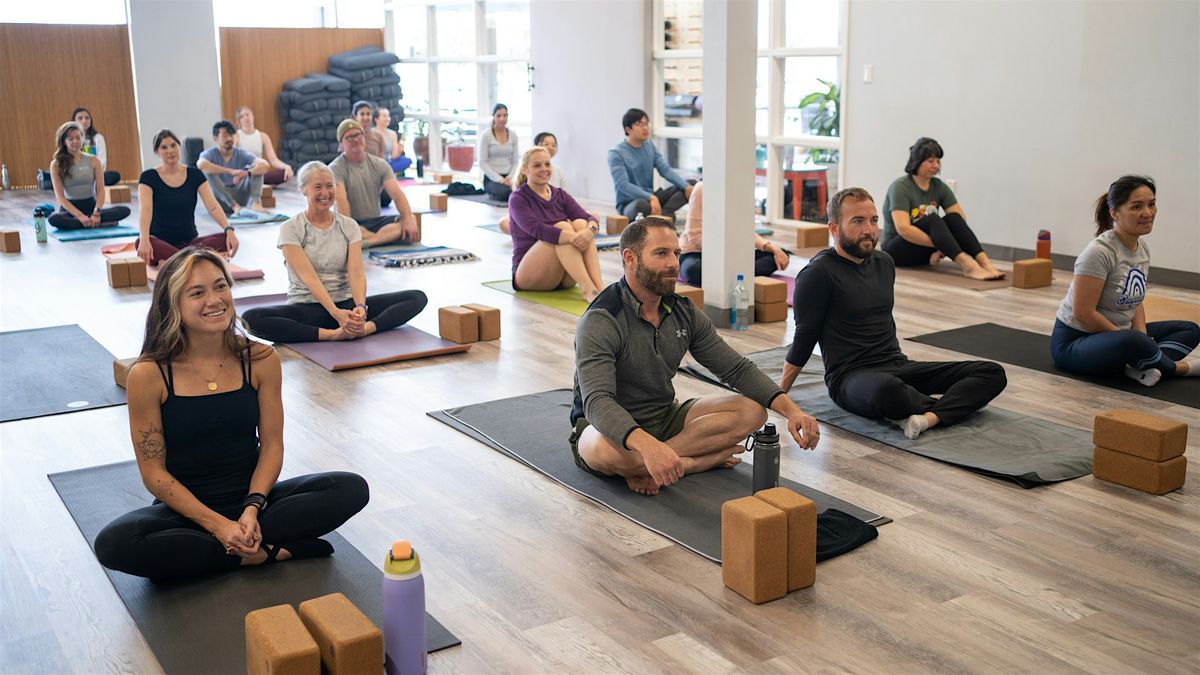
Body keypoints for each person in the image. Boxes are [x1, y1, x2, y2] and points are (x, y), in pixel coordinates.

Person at [93, 247, 369, 581]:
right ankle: (267, 552)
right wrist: (218, 525)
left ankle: (209, 555)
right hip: (187, 514)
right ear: (173, 304)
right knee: (115, 543)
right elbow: (153, 472)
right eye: (197, 293)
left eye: (220, 286)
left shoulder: (261, 360)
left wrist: (251, 508)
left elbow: (272, 446)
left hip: (256, 504)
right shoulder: (149, 375)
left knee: (350, 488)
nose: (215, 300)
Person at [571, 216, 820, 495]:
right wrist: (645, 445)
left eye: (676, 253)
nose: (673, 263)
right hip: (605, 431)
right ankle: (693, 463)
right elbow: (598, 402)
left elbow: (736, 369)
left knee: (752, 412)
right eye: (661, 253)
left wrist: (792, 411)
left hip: (664, 417)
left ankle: (651, 465)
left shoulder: (683, 311)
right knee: (601, 452)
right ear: (630, 258)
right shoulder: (601, 320)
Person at [781, 188, 1007, 440]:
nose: (869, 229)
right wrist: (778, 396)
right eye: (858, 221)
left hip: (899, 366)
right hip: (850, 377)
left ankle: (929, 417)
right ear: (834, 229)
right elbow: (804, 338)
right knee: (888, 391)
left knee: (991, 372)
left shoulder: (884, 262)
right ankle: (950, 406)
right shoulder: (817, 273)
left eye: (873, 220)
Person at [243, 162, 428, 343]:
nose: (325, 193)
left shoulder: (348, 225)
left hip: (347, 306)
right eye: (318, 187)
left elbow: (356, 273)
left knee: (417, 297)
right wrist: (335, 313)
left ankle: (364, 329)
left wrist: (360, 308)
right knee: (251, 318)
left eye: (330, 186)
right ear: (303, 190)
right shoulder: (290, 228)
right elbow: (309, 278)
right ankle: (331, 335)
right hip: (308, 308)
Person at [1051, 175, 1199, 385]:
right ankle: (1177, 369)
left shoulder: (1141, 248)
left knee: (1189, 330)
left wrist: (1142, 339)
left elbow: (1135, 300)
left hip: (1120, 336)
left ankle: (1140, 366)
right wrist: (1137, 342)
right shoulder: (1098, 253)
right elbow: (1083, 313)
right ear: (1115, 213)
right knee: (1133, 340)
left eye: (1151, 204)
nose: (1147, 213)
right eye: (1136, 207)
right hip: (1075, 342)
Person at [881, 137, 1004, 280]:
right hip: (897, 251)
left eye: (938, 161)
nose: (936, 165)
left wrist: (943, 247)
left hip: (925, 249)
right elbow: (903, 229)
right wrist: (942, 245)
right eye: (930, 161)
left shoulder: (938, 186)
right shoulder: (900, 187)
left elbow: (959, 220)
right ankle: (968, 265)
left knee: (953, 218)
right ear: (917, 161)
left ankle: (985, 263)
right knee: (932, 219)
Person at [508, 147, 604, 303]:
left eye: (547, 164)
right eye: (537, 165)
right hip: (529, 275)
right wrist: (576, 237)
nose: (544, 169)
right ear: (525, 169)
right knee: (562, 227)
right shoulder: (518, 198)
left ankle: (600, 287)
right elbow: (537, 229)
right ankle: (588, 289)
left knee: (581, 224)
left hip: (562, 277)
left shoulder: (559, 194)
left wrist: (589, 231)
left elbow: (587, 217)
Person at [136, 129, 239, 265]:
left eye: (173, 145)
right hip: (160, 243)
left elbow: (212, 206)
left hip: (190, 243)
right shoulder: (148, 177)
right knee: (141, 242)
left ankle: (175, 262)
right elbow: (145, 209)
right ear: (157, 152)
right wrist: (144, 239)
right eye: (164, 147)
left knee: (224, 239)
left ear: (179, 147)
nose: (170, 151)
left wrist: (229, 229)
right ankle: (193, 260)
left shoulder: (195, 174)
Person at [329, 119, 420, 248]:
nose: (355, 140)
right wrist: (351, 229)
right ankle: (383, 238)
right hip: (350, 222)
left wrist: (407, 218)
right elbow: (341, 202)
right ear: (341, 144)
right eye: (349, 137)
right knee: (343, 230)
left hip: (376, 222)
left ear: (364, 138)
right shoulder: (335, 168)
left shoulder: (380, 164)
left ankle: (369, 242)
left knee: (410, 219)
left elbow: (397, 195)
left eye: (358, 135)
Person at [678, 181, 789, 286]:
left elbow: (745, 232)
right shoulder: (702, 188)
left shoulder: (740, 190)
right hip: (697, 254)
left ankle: (729, 274)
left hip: (732, 257)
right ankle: (740, 273)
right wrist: (726, 256)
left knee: (781, 254)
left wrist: (774, 249)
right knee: (693, 270)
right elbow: (695, 237)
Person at [608, 108, 692, 221]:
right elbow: (623, 185)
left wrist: (686, 186)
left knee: (692, 185)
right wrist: (650, 197)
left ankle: (663, 213)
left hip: (652, 197)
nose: (645, 128)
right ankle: (664, 216)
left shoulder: (649, 145)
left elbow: (665, 170)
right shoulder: (616, 153)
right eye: (640, 124)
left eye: (646, 124)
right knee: (641, 206)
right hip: (630, 203)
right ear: (628, 129)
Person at [47, 121, 130, 230]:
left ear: (82, 139)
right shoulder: (56, 164)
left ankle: (85, 223)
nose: (75, 141)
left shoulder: (94, 160)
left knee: (124, 210)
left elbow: (100, 191)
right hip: (70, 210)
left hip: (91, 206)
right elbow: (60, 197)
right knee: (54, 219)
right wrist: (80, 216)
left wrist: (96, 213)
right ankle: (96, 223)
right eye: (71, 139)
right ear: (64, 142)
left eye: (78, 138)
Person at [197, 120, 269, 215]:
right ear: (215, 138)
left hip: (240, 196)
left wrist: (247, 173)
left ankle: (255, 203)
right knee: (208, 171)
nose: (229, 138)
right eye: (225, 136)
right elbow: (201, 165)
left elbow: (265, 165)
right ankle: (233, 205)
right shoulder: (209, 153)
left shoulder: (241, 153)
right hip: (220, 200)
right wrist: (231, 172)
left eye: (231, 135)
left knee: (257, 168)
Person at [234, 105, 294, 185]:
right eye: (242, 117)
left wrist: (286, 167)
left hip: (259, 172)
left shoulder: (263, 136)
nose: (246, 118)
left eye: (247, 114)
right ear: (239, 121)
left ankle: (257, 182)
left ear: (252, 116)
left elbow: (273, 160)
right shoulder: (236, 136)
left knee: (284, 173)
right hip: (243, 173)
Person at [478, 103, 518, 203]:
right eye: (499, 116)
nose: (502, 119)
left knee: (523, 190)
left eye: (505, 115)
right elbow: (482, 163)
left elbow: (515, 161)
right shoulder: (486, 135)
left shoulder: (513, 135)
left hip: (508, 178)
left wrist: (509, 177)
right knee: (507, 193)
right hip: (492, 179)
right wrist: (500, 180)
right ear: (493, 116)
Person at [72, 107, 120, 185]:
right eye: (80, 118)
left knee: (114, 176)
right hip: (76, 173)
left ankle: (90, 182)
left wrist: (90, 172)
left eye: (87, 118)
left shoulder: (98, 138)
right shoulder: (70, 139)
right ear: (74, 121)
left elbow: (102, 161)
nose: (84, 121)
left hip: (94, 174)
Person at [373, 106, 412, 176]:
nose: (387, 118)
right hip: (377, 163)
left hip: (389, 162)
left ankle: (386, 171)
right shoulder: (371, 133)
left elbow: (394, 156)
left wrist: (400, 149)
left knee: (407, 161)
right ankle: (386, 172)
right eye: (384, 116)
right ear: (376, 119)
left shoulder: (392, 133)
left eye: (388, 116)